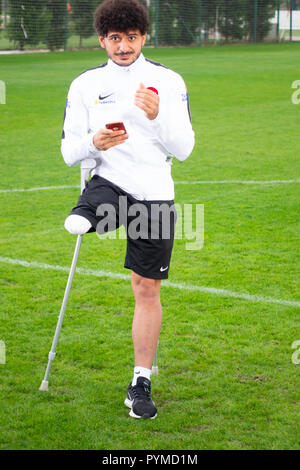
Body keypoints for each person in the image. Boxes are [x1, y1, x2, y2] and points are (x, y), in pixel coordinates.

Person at [61, 0, 195, 419]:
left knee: (145, 287)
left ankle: (140, 381)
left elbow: (185, 149)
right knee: (91, 208)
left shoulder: (168, 81)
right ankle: (91, 212)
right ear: (102, 39)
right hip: (110, 182)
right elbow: (69, 151)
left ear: (144, 37)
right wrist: (92, 144)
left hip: (155, 192)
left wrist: (158, 119)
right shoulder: (84, 84)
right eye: (115, 38)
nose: (123, 46)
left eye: (131, 37)